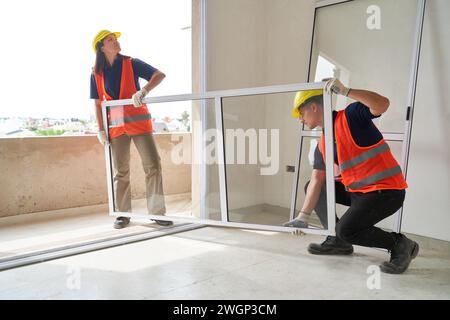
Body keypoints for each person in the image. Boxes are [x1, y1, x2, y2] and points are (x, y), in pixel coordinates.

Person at [284, 78, 419, 274]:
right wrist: (302, 217)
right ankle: (338, 242)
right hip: (359, 193)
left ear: (313, 107)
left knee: (346, 229)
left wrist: (346, 91)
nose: (300, 119)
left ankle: (400, 244)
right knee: (313, 187)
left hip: (387, 191)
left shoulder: (350, 116)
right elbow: (317, 181)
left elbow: (382, 104)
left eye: (300, 113)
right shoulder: (322, 144)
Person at [90, 30, 172, 229]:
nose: (116, 41)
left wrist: (144, 90)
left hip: (139, 124)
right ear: (101, 47)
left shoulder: (131, 63)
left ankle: (157, 212)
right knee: (121, 172)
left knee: (153, 165)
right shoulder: (96, 73)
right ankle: (122, 214)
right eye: (111, 39)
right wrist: (101, 130)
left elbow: (159, 75)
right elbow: (98, 103)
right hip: (116, 128)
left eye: (116, 38)